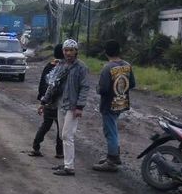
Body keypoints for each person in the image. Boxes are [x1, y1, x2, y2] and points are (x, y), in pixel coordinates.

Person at [42, 39, 89, 176]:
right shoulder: (61, 65)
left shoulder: (81, 67)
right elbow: (53, 84)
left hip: (73, 106)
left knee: (67, 135)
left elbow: (85, 87)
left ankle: (69, 167)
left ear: (76, 51)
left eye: (71, 50)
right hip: (61, 104)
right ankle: (66, 162)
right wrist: (45, 100)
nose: (68, 53)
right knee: (63, 135)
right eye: (66, 50)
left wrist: (80, 106)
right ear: (63, 51)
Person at [93, 40, 136, 172]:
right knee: (113, 129)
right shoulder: (127, 66)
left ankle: (112, 160)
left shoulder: (107, 68)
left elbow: (103, 88)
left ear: (106, 52)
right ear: (119, 50)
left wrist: (97, 88)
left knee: (110, 132)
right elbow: (132, 84)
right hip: (122, 102)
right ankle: (113, 156)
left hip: (109, 104)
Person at [28, 44, 64, 158]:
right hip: (60, 103)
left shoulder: (49, 65)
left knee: (45, 125)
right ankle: (59, 152)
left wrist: (42, 100)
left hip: (48, 102)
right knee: (61, 128)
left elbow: (42, 85)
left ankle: (36, 146)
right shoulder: (65, 68)